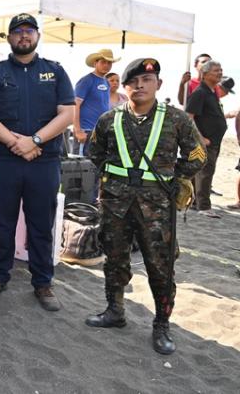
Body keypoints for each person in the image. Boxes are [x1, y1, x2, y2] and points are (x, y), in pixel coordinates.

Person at [86, 57, 205, 355]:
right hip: (115, 204)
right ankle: (115, 311)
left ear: (158, 84)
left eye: (146, 80)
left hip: (157, 208)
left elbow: (197, 156)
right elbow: (94, 152)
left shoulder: (177, 119)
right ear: (124, 87)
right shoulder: (109, 119)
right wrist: (116, 180)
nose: (139, 86)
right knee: (114, 259)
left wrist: (172, 178)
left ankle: (161, 324)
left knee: (160, 266)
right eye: (133, 82)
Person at [0, 13, 75, 311]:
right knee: (2, 222)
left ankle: (43, 283)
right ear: (9, 38)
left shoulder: (55, 72)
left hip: (44, 161)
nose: (24, 36)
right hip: (4, 161)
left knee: (41, 224)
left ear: (38, 36)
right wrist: (16, 143)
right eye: (18, 32)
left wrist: (35, 141)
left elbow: (67, 114)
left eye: (29, 31)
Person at [185, 60, 227, 217]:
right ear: (205, 74)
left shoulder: (212, 92)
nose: (220, 73)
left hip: (214, 141)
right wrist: (200, 138)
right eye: (216, 70)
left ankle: (195, 202)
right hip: (205, 141)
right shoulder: (200, 93)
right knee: (205, 173)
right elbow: (189, 117)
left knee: (203, 172)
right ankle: (203, 206)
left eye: (220, 70)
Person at [73, 49, 119, 155]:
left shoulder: (106, 82)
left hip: (100, 131)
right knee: (82, 164)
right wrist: (78, 130)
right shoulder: (86, 80)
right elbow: (74, 105)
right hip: (86, 131)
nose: (106, 65)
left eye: (109, 63)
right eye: (103, 62)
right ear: (95, 63)